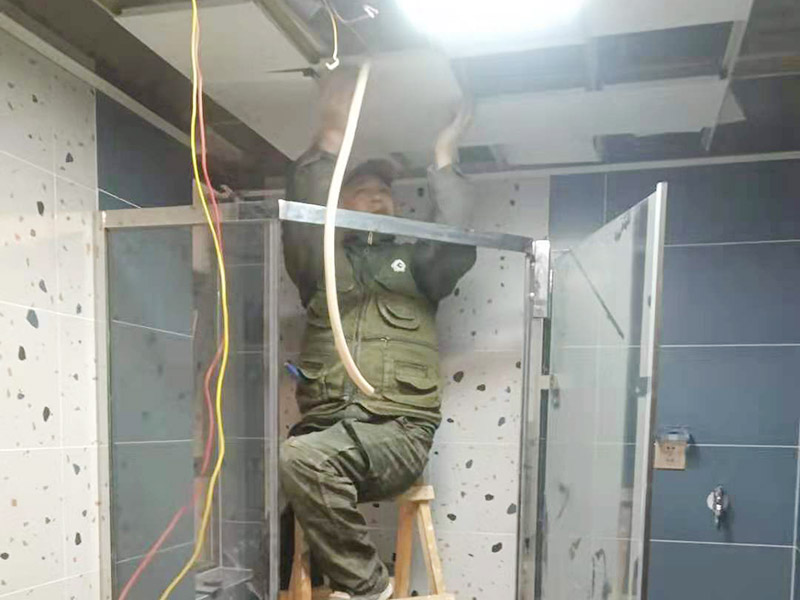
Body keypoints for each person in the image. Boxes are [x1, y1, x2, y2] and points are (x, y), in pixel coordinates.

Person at [279, 69, 476, 600]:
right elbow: (303, 222)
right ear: (339, 205)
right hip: (327, 432)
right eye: (361, 192)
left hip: (398, 435)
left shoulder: (417, 265)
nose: (377, 199)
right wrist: (330, 137)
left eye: (385, 193)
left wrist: (444, 156)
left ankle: (365, 589)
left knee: (301, 459)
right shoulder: (320, 264)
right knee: (302, 457)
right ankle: (371, 586)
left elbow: (455, 241)